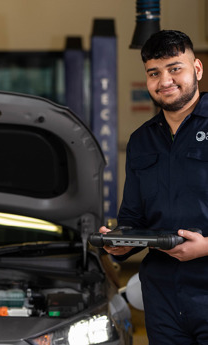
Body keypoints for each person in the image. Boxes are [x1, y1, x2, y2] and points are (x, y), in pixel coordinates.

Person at [100, 30, 208, 345]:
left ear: (197, 70)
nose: (165, 80)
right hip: (163, 297)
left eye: (175, 68)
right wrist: (121, 244)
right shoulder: (141, 141)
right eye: (154, 73)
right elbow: (134, 217)